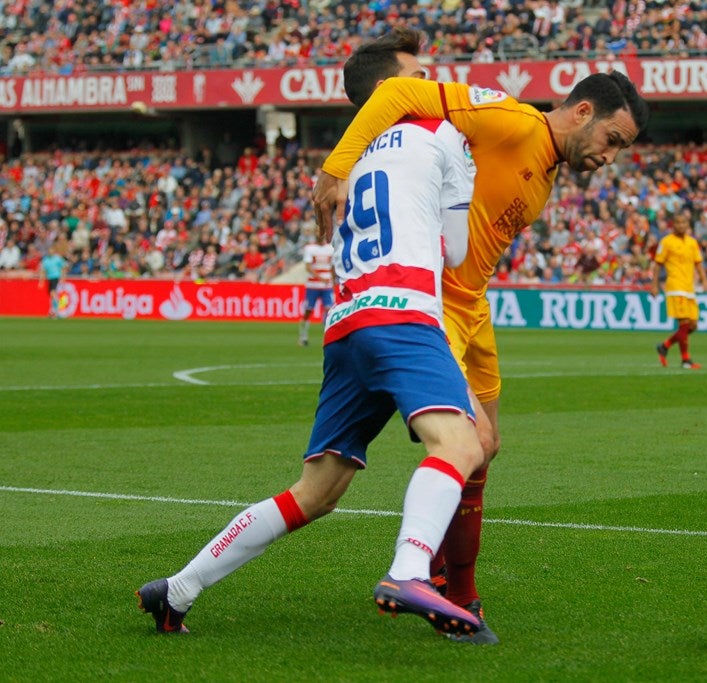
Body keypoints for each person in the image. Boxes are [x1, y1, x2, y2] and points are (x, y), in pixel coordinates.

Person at [137, 28, 485, 638]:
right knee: (462, 444)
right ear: (389, 90)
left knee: (316, 492)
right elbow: (455, 251)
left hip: (346, 324)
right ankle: (409, 569)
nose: (433, 83)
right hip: (402, 312)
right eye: (419, 75)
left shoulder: (343, 164)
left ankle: (179, 588)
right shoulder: (441, 133)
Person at [313, 63, 649, 644]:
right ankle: (448, 591)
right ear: (583, 112)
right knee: (475, 442)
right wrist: (336, 169)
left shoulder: (544, 168)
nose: (609, 157)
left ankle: (449, 579)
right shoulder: (510, 120)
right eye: (611, 141)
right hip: (434, 300)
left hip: (475, 306)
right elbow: (397, 91)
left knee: (487, 453)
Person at [652, 212, 707, 369]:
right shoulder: (666, 242)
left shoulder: (692, 243)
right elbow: (658, 264)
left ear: (687, 225)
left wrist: (704, 280)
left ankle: (664, 346)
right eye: (678, 223)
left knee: (693, 325)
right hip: (675, 287)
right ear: (673, 225)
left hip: (689, 287)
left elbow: (698, 263)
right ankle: (685, 360)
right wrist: (654, 285)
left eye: (684, 223)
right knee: (684, 323)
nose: (681, 225)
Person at [297, 233, 335, 346]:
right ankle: (303, 337)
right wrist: (320, 278)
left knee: (329, 310)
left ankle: (329, 336)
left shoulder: (330, 249)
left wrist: (333, 280)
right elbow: (308, 267)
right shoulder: (310, 248)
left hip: (327, 286)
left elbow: (332, 266)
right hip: (313, 285)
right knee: (308, 310)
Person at [38, 246, 67, 318]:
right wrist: (41, 281)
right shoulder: (45, 260)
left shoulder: (58, 258)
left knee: (53, 293)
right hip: (49, 279)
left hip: (56, 277)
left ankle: (58, 311)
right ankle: (53, 311)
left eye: (52, 250)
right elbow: (43, 271)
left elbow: (64, 267)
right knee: (52, 295)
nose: (50, 252)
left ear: (54, 251)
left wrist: (63, 277)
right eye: (49, 250)